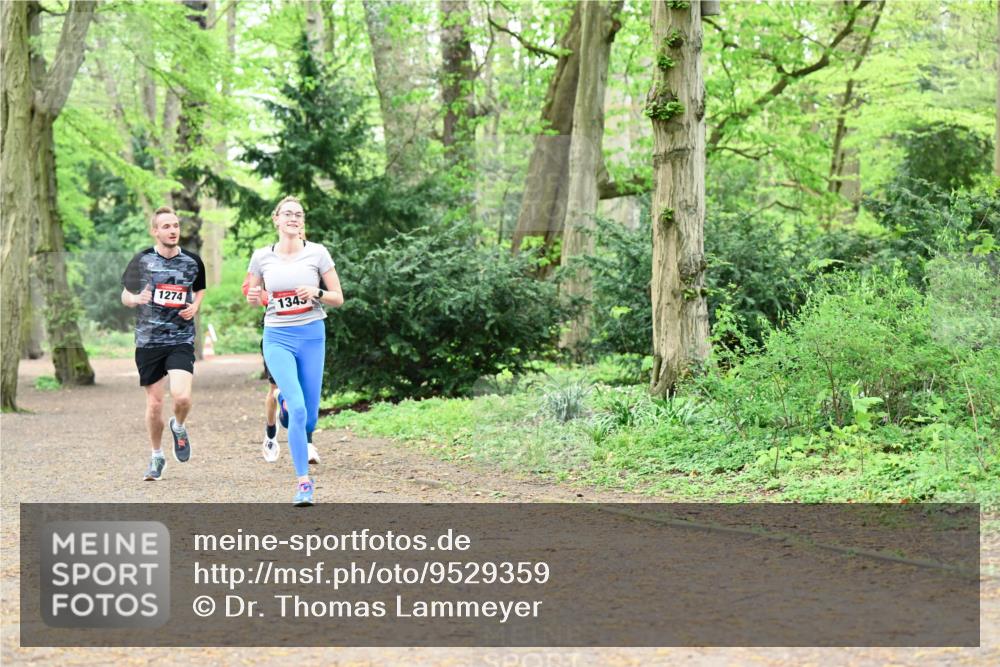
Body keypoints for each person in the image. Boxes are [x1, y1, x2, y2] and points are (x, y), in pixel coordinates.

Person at [246, 196, 343, 505]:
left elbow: (338, 297)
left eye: (298, 214)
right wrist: (254, 297)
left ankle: (285, 401)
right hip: (278, 337)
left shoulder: (318, 253)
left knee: (309, 418)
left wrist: (316, 292)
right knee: (299, 411)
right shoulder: (262, 256)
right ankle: (304, 483)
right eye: (287, 213)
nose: (293, 218)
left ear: (303, 222)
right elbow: (253, 293)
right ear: (276, 219)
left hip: (312, 336)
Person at [121, 206, 206, 481]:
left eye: (176, 226)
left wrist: (196, 306)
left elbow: (200, 289)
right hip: (149, 341)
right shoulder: (142, 260)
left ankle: (178, 426)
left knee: (182, 397)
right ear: (155, 231)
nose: (173, 230)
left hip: (181, 338)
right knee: (155, 404)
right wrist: (135, 300)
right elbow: (125, 294)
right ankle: (157, 457)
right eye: (167, 226)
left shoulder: (193, 261)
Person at [242, 226, 323, 465]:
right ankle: (270, 433)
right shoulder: (269, 259)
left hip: (306, 334)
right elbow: (249, 287)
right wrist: (268, 298)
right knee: (276, 390)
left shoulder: (313, 259)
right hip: (277, 334)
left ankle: (307, 444)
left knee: (304, 397)